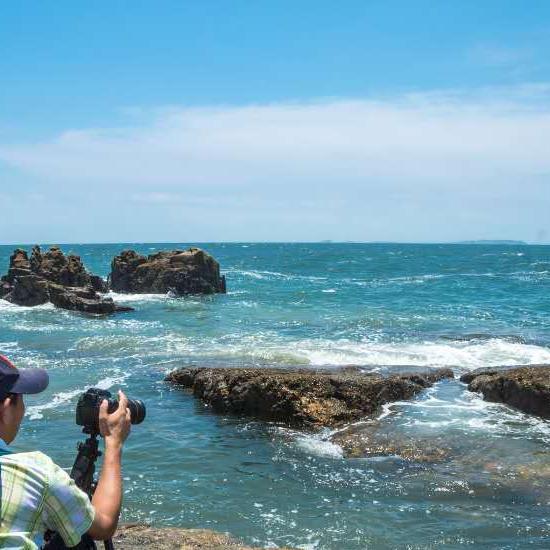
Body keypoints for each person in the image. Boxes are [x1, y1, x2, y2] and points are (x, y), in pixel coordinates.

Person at [0, 354, 132, 548]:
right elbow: (103, 526)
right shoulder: (35, 472)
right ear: (6, 408)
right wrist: (113, 442)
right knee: (80, 538)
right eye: (20, 398)